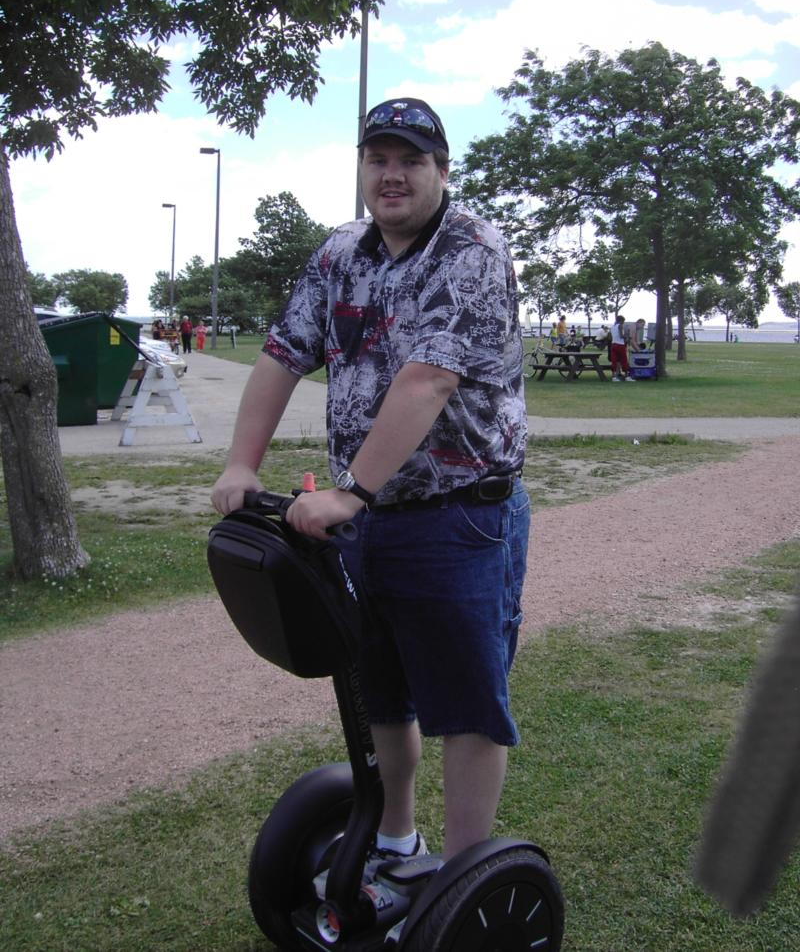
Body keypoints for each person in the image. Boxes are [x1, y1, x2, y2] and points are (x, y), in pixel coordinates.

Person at [211, 97, 530, 866]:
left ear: (441, 171)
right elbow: (283, 353)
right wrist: (240, 463)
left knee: (467, 707)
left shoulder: (472, 249)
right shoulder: (340, 252)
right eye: (378, 159)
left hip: (460, 516)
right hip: (366, 520)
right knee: (377, 688)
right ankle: (395, 841)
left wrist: (351, 489)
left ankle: (461, 879)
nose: (391, 175)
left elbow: (427, 381)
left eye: (410, 160)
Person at [609, 314, 635, 382]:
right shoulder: (620, 326)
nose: (623, 323)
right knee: (624, 360)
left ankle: (614, 377)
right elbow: (621, 336)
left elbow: (611, 337)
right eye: (623, 321)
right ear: (621, 321)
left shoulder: (612, 327)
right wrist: (628, 336)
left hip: (613, 344)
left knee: (614, 361)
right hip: (620, 345)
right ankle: (627, 376)